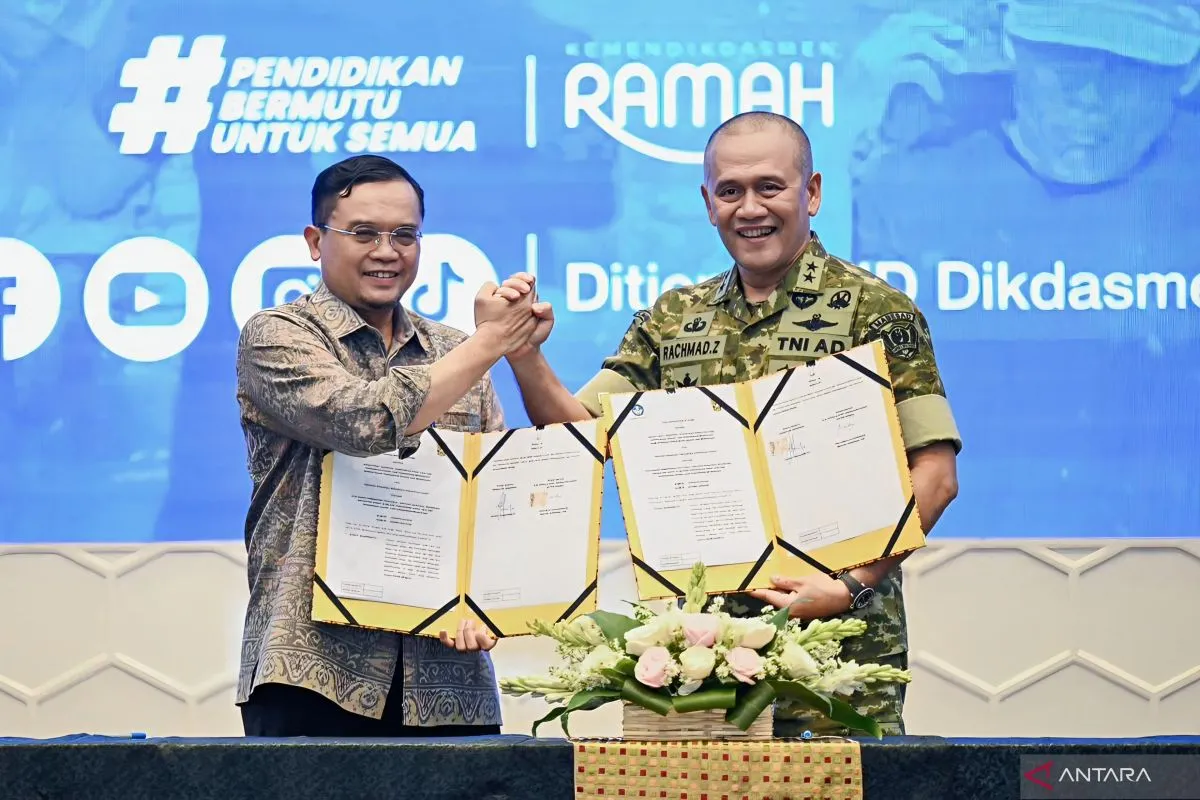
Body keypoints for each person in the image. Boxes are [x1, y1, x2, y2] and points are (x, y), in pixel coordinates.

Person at [484, 111, 962, 736]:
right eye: (730, 191)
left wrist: (850, 586)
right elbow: (579, 435)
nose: (750, 208)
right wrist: (524, 353)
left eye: (770, 187)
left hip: (836, 661)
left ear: (812, 192)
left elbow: (936, 475)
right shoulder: (672, 319)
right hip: (694, 668)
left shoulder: (877, 312)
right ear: (708, 203)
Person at [235, 154, 546, 737]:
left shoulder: (455, 349)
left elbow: (495, 494)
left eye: (405, 235)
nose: (387, 251)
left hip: (447, 676)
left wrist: (491, 601)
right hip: (313, 667)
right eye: (363, 233)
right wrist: (490, 341)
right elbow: (363, 423)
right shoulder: (277, 334)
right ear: (315, 241)